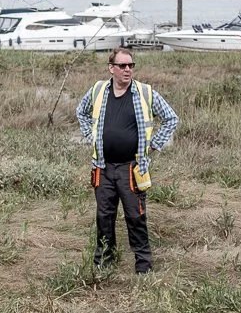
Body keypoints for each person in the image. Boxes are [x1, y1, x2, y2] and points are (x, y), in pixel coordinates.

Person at [76, 50, 179, 274]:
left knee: (135, 216)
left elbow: (171, 118)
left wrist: (154, 144)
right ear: (111, 68)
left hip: (132, 169)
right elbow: (81, 112)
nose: (127, 70)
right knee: (104, 217)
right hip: (102, 168)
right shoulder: (98, 90)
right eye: (122, 66)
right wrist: (91, 136)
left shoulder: (145, 92)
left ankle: (143, 266)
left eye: (130, 65)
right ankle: (104, 262)